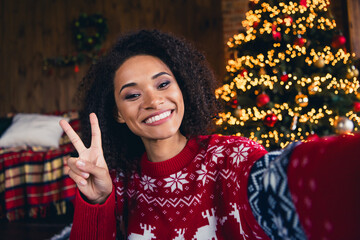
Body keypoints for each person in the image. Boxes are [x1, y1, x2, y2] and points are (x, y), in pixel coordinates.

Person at [59, 29, 360, 240]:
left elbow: (287, 180)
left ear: (183, 87)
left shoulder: (230, 158)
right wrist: (97, 202)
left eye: (163, 84)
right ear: (117, 114)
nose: (153, 101)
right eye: (132, 95)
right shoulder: (119, 183)